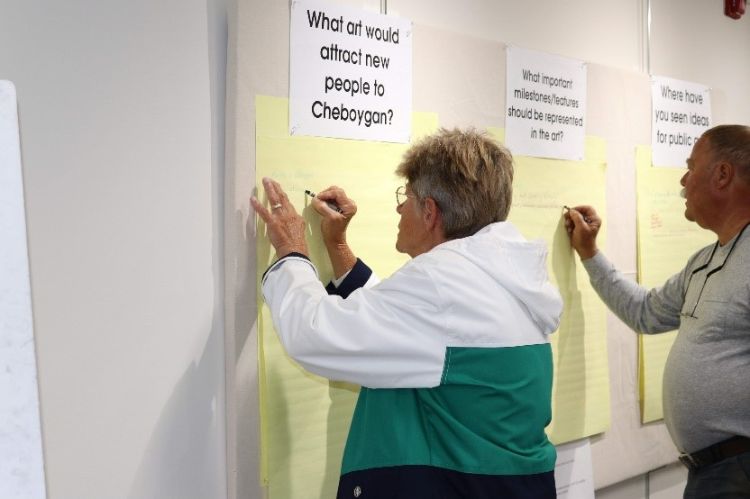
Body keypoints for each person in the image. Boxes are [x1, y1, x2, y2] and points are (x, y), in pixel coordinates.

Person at [251, 128, 563, 499]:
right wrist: (336, 246)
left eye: (407, 197)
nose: (400, 208)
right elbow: (416, 332)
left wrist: (292, 250)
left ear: (430, 212)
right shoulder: (499, 278)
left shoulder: (443, 285)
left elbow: (313, 333)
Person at [565, 124, 750, 498]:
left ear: (722, 175)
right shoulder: (704, 261)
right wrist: (589, 252)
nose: (683, 179)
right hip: (709, 472)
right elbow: (644, 312)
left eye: (690, 165)